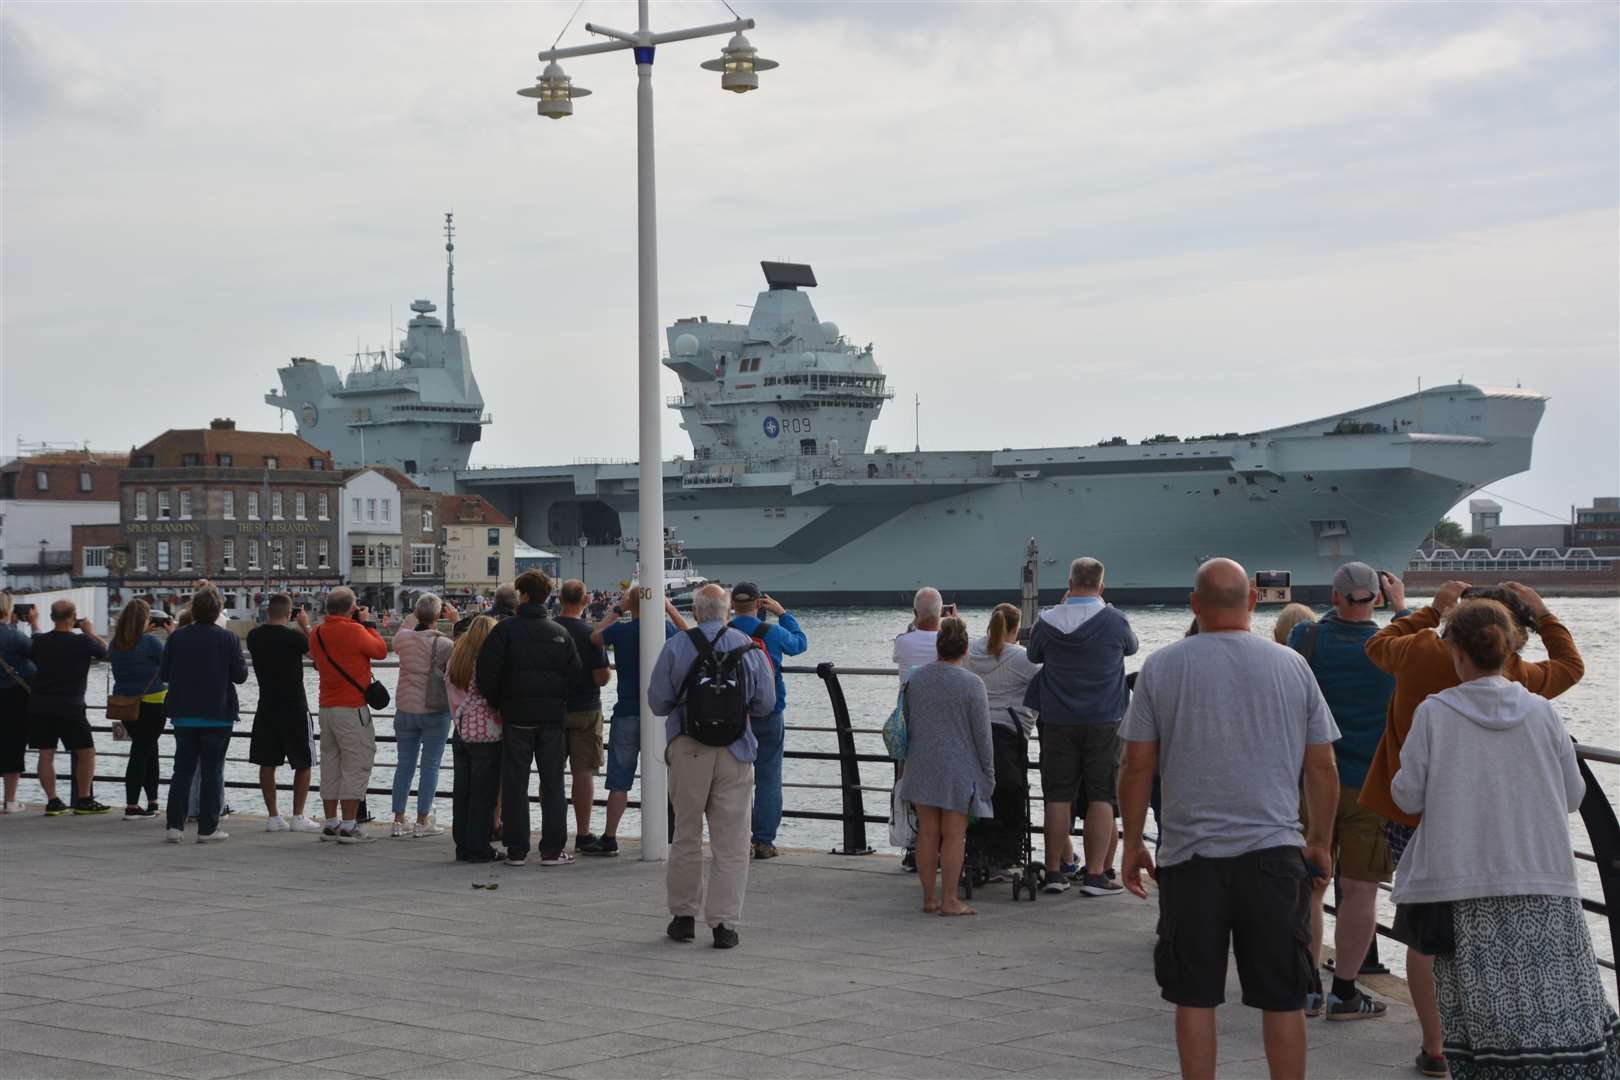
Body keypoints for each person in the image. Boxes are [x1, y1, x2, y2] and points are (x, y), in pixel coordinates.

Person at [1119, 557, 1339, 1080]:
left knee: (1194, 997)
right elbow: (1322, 765)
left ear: (1195, 605)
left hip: (1190, 860)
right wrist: (1319, 840)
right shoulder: (1292, 666)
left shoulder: (1162, 667)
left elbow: (1136, 764)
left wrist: (1131, 842)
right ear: (1253, 602)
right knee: (1283, 998)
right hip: (1274, 855)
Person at [1361, 578, 1583, 1077]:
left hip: (1413, 820)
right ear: (1509, 640)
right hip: (1497, 833)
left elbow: (1374, 644)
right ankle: (1507, 1040)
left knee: (1426, 932)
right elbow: (1571, 667)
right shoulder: (1524, 681)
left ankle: (1436, 1045)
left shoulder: (1418, 652)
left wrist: (1423, 610)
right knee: (1499, 940)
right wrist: (1545, 615)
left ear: (1455, 639)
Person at [1281, 564, 1405, 1020]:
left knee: (1311, 887)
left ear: (1334, 597)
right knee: (1360, 891)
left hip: (1313, 780)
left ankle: (1308, 988)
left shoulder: (1306, 638)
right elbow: (1420, 651)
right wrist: (1401, 607)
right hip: (1370, 785)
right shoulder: (1391, 649)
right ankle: (1346, 993)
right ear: (1375, 597)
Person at [648, 583, 775, 949]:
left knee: (686, 833)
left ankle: (684, 917)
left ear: (697, 611)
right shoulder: (748, 648)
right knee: (732, 842)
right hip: (736, 749)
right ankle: (725, 925)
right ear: (727, 612)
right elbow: (765, 703)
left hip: (689, 748)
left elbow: (658, 702)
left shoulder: (676, 646)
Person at [1027, 556, 1138, 896]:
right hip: (1104, 720)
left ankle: (1055, 873)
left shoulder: (1047, 621)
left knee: (1057, 796)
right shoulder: (1114, 620)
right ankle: (1095, 875)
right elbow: (1131, 647)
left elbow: (1033, 655)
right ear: (1101, 585)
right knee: (1102, 796)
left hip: (1058, 719)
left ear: (1069, 583)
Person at [476, 570, 580, 868]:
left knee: (515, 784)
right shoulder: (560, 633)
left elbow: (486, 672)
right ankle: (551, 850)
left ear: (522, 595)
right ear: (546, 596)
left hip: (516, 717)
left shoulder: (505, 631)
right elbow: (576, 675)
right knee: (553, 785)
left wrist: (498, 703)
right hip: (550, 720)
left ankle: (517, 849)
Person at [896, 615, 994, 917]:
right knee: (954, 835)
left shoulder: (915, 679)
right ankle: (950, 899)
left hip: (922, 763)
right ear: (965, 650)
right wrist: (989, 775)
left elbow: (907, 723)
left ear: (938, 646)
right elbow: (982, 735)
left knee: (927, 832)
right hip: (959, 769)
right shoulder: (972, 684)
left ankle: (929, 898)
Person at [589, 585, 688, 856]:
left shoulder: (620, 631)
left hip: (627, 712)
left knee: (619, 780)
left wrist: (618, 609)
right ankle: (672, 833)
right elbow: (690, 635)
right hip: (662, 713)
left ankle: (609, 837)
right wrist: (667, 608)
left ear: (631, 606)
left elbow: (594, 636)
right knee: (668, 776)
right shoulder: (665, 631)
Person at [727, 582, 809, 860]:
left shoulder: (725, 633)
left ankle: (736, 840)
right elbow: (800, 644)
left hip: (735, 714)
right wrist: (783, 613)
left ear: (732, 604)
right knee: (769, 778)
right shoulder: (772, 632)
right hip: (770, 712)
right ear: (758, 603)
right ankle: (764, 841)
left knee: (734, 779)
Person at [161, 588, 248, 842]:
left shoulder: (176, 638)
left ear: (193, 610)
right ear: (218, 611)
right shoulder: (228, 639)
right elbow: (240, 677)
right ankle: (208, 829)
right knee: (212, 771)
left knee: (182, 771)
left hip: (183, 713)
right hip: (218, 713)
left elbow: (164, 674)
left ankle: (174, 827)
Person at [963, 602, 1037, 877]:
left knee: (978, 791)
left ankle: (976, 848)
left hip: (973, 733)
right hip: (1009, 733)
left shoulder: (970, 652)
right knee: (1011, 790)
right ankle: (1006, 852)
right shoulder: (1021, 658)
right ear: (1016, 629)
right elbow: (1046, 681)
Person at [309, 587, 388, 843]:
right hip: (352, 709)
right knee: (356, 764)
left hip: (326, 708)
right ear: (352, 609)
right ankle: (349, 825)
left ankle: (330, 822)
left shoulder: (317, 633)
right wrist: (369, 625)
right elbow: (380, 651)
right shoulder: (355, 630)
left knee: (330, 764)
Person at [27, 599, 111, 815]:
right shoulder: (83, 641)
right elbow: (107, 653)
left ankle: (53, 801)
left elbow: (35, 639)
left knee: (46, 753)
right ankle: (84, 799)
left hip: (41, 705)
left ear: (52, 617)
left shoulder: (40, 641)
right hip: (71, 706)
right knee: (86, 752)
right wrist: (90, 632)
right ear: (73, 617)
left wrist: (34, 622)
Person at [247, 595, 321, 833]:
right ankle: (298, 815)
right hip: (294, 706)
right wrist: (306, 626)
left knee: (267, 762)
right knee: (304, 761)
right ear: (290, 613)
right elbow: (318, 658)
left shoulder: (254, 636)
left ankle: (273, 816)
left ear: (267, 611)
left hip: (266, 705)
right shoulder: (294, 638)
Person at [390, 593, 458, 838]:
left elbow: (407, 628)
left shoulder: (402, 640)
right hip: (434, 711)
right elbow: (462, 654)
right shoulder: (443, 644)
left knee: (404, 764)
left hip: (405, 709)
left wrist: (417, 613)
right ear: (438, 617)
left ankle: (398, 820)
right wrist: (455, 621)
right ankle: (422, 820)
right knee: (430, 766)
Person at [552, 580, 611, 853]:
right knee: (583, 773)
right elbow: (601, 678)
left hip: (551, 709)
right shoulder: (591, 634)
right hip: (586, 709)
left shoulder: (548, 630)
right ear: (586, 601)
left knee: (550, 774)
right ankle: (583, 833)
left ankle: (553, 832)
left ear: (559, 599)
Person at [891, 587, 945, 873]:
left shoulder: (904, 643)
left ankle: (914, 848)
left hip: (910, 726)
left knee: (910, 786)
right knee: (941, 789)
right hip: (945, 727)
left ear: (914, 613)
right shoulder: (950, 642)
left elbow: (904, 640)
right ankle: (941, 847)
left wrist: (915, 624)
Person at [447, 615, 503, 863]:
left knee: (462, 792)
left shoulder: (456, 659)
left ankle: (463, 846)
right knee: (483, 793)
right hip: (486, 733)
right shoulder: (487, 660)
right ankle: (480, 847)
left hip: (460, 729)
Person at [107, 599, 167, 820]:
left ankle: (152, 802)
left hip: (125, 706)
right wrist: (170, 632)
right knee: (142, 752)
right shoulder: (150, 643)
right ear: (145, 620)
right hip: (152, 703)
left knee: (148, 750)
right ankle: (132, 805)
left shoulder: (115, 644)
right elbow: (170, 662)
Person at [0, 594, 38, 813]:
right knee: (13, 745)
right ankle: (10, 800)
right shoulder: (14, 636)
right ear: (7, 610)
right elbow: (36, 652)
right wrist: (33, 624)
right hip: (14, 697)